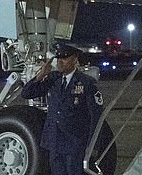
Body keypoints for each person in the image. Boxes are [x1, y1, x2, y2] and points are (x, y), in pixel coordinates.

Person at [21, 42, 104, 175]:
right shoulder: (54, 79)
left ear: (75, 59)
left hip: (75, 144)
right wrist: (41, 75)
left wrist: (93, 145)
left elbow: (96, 116)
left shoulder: (86, 83)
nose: (60, 62)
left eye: (64, 58)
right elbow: (27, 93)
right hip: (54, 142)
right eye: (58, 58)